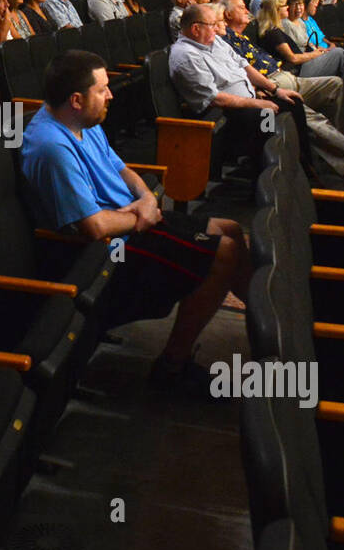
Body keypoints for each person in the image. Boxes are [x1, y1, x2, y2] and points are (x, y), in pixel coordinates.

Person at [19, 47, 250, 394]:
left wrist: (144, 199)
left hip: (133, 220)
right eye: (102, 89)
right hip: (109, 251)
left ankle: (268, 328)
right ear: (77, 99)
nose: (111, 94)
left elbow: (122, 169)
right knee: (225, 252)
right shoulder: (51, 146)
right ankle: (173, 366)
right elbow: (94, 227)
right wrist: (143, 216)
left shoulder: (83, 120)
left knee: (230, 229)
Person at [169, 3, 344, 176]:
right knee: (267, 118)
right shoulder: (186, 56)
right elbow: (214, 98)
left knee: (292, 102)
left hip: (250, 100)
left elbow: (244, 65)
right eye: (212, 24)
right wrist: (258, 103)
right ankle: (266, 173)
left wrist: (275, 90)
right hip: (225, 114)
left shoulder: (213, 42)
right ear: (195, 29)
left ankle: (301, 164)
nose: (217, 28)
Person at [256, 0, 344, 79]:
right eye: (285, 5)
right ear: (276, 9)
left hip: (304, 64)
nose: (287, 7)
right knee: (339, 53)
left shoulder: (276, 29)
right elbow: (293, 58)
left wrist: (318, 51)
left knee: (338, 52)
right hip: (298, 71)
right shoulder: (273, 32)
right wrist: (315, 54)